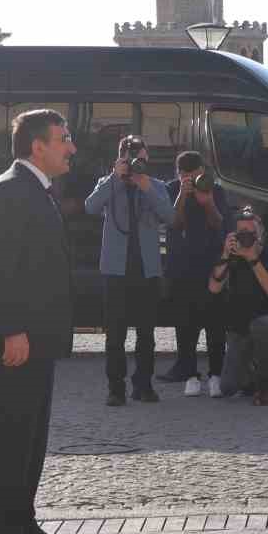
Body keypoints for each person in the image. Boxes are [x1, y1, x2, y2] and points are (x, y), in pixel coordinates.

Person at [0, 109, 76, 534]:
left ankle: (23, 521)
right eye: (63, 139)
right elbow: (0, 268)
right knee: (14, 434)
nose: (71, 147)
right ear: (38, 146)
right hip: (16, 337)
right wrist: (13, 330)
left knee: (32, 436)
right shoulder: (12, 190)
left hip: (37, 336)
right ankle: (2, 533)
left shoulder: (34, 189)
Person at [85, 135, 174, 405]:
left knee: (146, 333)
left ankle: (143, 384)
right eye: (131, 157)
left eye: (141, 156)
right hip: (115, 270)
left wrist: (145, 186)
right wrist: (115, 177)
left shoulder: (156, 185)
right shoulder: (109, 183)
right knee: (115, 333)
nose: (137, 161)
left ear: (147, 158)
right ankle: (116, 387)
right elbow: (90, 207)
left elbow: (170, 217)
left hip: (146, 270)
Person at [159, 151, 230, 398]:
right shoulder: (170, 189)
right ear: (179, 175)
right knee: (185, 325)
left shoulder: (215, 190)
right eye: (185, 175)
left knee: (215, 324)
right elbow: (172, 222)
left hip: (210, 266)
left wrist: (207, 201)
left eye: (195, 174)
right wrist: (182, 194)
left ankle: (216, 375)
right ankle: (190, 374)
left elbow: (220, 224)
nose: (191, 179)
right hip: (181, 268)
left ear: (203, 171)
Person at [210, 207, 268, 406]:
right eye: (241, 233)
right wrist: (225, 255)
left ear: (260, 234)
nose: (246, 237)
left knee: (260, 327)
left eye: (250, 233)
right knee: (228, 387)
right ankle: (250, 373)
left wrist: (252, 258)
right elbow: (213, 287)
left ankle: (264, 388)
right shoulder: (231, 256)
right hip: (239, 328)